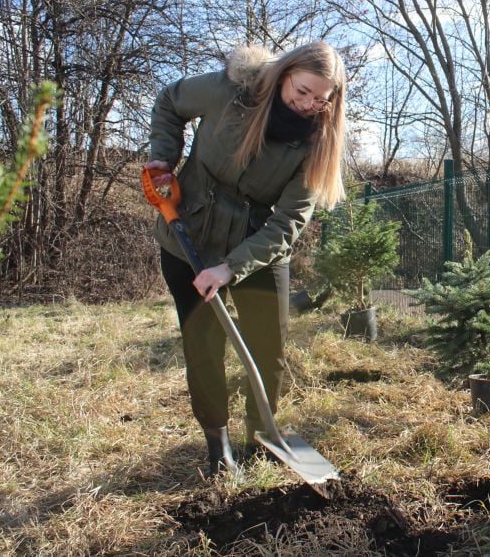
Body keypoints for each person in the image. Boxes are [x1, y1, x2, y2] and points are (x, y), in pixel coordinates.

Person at [144, 41, 346, 476]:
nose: (310, 104)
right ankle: (217, 444)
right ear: (284, 73)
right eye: (303, 91)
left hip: (258, 244)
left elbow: (289, 222)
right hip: (189, 235)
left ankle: (262, 433)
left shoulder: (317, 142)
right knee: (204, 344)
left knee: (268, 344)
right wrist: (163, 156)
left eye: (321, 99)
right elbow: (170, 101)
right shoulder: (232, 91)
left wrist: (230, 267)